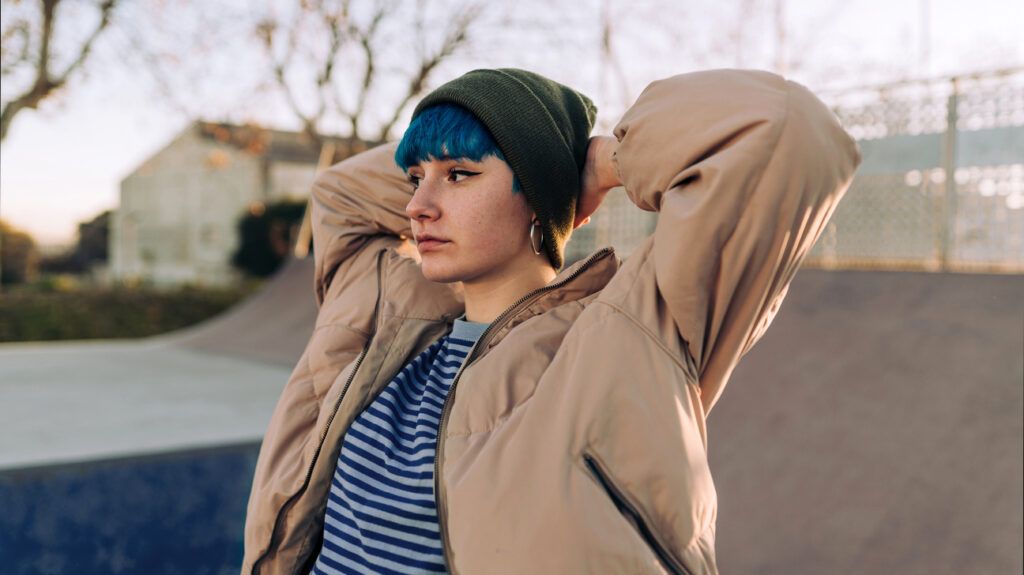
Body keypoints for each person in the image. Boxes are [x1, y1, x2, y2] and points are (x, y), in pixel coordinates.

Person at [241, 68, 861, 575]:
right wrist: (454, 154)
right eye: (414, 177)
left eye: (459, 175)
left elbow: (785, 132)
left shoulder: (632, 333)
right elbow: (338, 197)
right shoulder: (387, 311)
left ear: (538, 196)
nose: (417, 207)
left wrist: (594, 166)